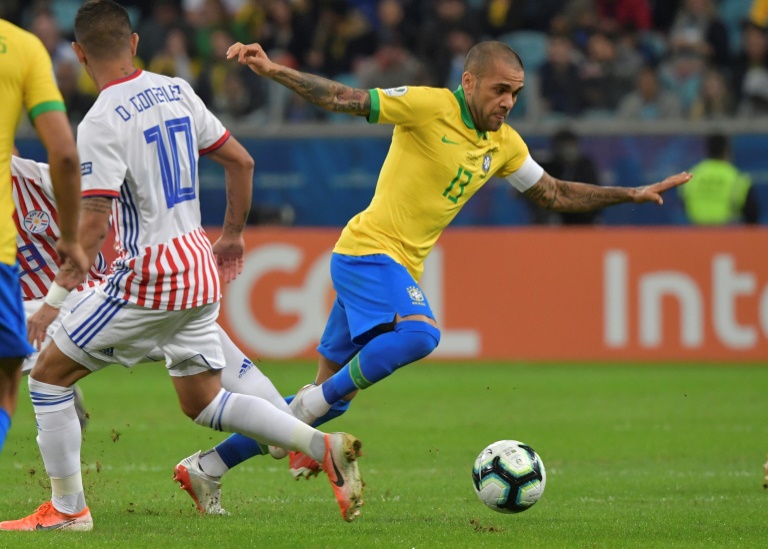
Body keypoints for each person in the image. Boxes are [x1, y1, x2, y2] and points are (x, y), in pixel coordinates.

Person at [194, 39, 691, 489]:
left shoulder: (504, 143)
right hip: (368, 252)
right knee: (419, 335)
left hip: (394, 266)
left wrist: (629, 194)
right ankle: (309, 404)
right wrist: (274, 70)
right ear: (469, 82)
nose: (508, 102)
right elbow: (345, 98)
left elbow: (554, 193)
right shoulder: (429, 106)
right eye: (500, 90)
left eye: (515, 93)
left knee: (334, 399)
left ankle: (208, 468)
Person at [0, 0, 363, 532]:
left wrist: (53, 302)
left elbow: (94, 223)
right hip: (199, 264)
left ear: (78, 54)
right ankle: (318, 443)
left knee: (48, 377)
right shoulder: (176, 89)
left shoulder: (100, 119)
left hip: (148, 275)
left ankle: (68, 510)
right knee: (202, 401)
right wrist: (232, 235)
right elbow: (241, 161)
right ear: (134, 44)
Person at [0, 18, 88, 455]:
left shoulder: (36, 178)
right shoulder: (22, 46)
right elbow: (66, 154)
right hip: (24, 289)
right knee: (12, 383)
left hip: (62, 296)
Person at [680, 133, 759, 225]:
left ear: (707, 150)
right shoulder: (737, 178)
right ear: (726, 150)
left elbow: (683, 202)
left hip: (696, 230)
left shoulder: (693, 175)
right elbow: (752, 213)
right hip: (726, 231)